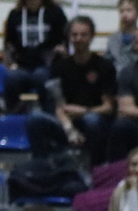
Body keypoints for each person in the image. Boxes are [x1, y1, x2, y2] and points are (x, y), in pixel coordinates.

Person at [46, 15, 118, 165]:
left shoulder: (105, 66)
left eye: (83, 35)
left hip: (95, 119)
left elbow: (109, 108)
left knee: (92, 120)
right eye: (74, 35)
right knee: (35, 119)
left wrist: (84, 111)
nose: (78, 39)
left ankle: (96, 168)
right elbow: (59, 105)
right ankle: (44, 169)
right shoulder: (59, 67)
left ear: (92, 37)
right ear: (69, 37)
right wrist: (69, 128)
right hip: (66, 120)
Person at [2, 0, 67, 112]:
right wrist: (11, 63)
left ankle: (48, 116)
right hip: (22, 65)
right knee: (11, 78)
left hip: (46, 64)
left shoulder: (55, 13)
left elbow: (62, 40)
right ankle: (14, 117)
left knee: (42, 76)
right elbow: (8, 44)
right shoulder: (15, 14)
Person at [106, 0, 138, 70]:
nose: (124, 15)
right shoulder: (114, 38)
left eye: (129, 10)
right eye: (121, 11)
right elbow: (107, 60)